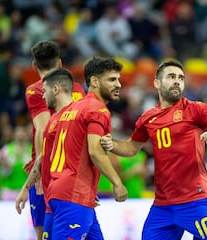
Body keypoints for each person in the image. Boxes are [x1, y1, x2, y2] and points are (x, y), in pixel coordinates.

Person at [100, 59, 207, 239]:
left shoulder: (196, 109)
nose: (177, 81)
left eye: (181, 78)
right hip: (163, 205)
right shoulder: (147, 118)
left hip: (195, 200)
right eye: (171, 77)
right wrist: (113, 145)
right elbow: (131, 148)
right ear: (157, 83)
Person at [46, 56, 127, 240]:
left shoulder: (69, 110)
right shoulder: (97, 110)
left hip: (65, 192)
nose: (119, 84)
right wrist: (117, 183)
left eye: (119, 79)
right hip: (73, 197)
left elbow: (53, 153)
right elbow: (95, 151)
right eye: (112, 79)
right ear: (94, 81)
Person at [22, 40, 85, 240]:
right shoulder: (76, 90)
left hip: (49, 169)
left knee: (43, 233)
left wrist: (39, 170)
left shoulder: (36, 90)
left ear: (34, 65)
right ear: (59, 63)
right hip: (74, 170)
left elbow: (43, 129)